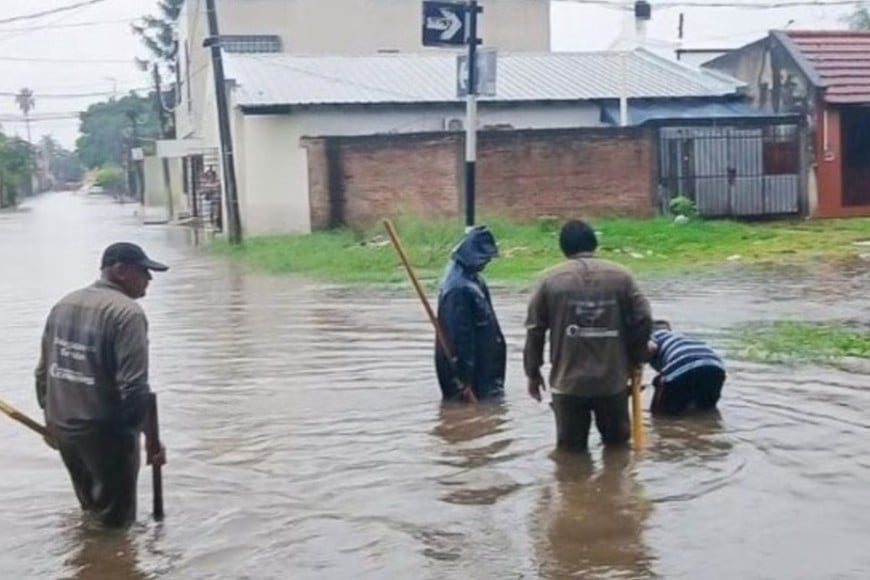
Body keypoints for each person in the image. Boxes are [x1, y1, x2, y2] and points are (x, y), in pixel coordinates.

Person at [35, 242, 168, 528]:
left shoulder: (64, 304)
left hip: (65, 428)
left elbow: (43, 373)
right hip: (106, 435)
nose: (149, 279)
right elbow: (134, 387)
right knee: (116, 525)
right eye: (143, 271)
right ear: (121, 271)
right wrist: (146, 437)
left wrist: (51, 420)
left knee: (92, 511)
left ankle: (90, 553)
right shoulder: (127, 314)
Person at [524, 219, 652, 451]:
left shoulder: (548, 281)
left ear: (564, 248)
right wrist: (636, 357)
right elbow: (644, 317)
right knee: (618, 450)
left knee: (570, 454)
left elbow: (535, 330)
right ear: (594, 243)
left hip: (568, 383)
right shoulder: (622, 277)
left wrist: (533, 372)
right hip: (612, 381)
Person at [435, 225, 506, 403]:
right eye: (485, 257)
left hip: (484, 370)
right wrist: (464, 380)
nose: (487, 262)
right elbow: (458, 338)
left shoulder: (472, 279)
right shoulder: (457, 288)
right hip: (473, 376)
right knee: (469, 412)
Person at [647, 319, 726, 416]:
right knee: (706, 411)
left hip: (684, 365)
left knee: (662, 414)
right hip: (715, 366)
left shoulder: (652, 336)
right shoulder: (680, 336)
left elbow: (651, 347)